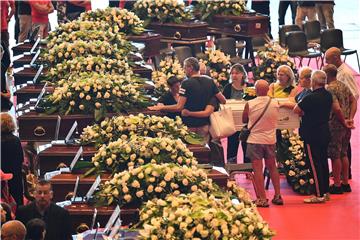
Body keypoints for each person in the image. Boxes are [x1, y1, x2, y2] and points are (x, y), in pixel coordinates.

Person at [148, 57, 226, 143]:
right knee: (203, 150)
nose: (184, 70)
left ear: (191, 68)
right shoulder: (210, 81)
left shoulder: (186, 83)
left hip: (190, 125)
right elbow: (223, 100)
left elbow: (179, 107)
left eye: (185, 67)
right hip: (205, 125)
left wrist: (161, 108)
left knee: (192, 152)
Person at [294, 70, 333, 203]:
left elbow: (296, 110)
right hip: (324, 131)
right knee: (323, 163)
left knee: (314, 165)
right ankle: (326, 191)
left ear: (314, 81)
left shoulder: (310, 97)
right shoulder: (328, 95)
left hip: (311, 134)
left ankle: (318, 193)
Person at [242, 80, 283, 207]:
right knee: (273, 168)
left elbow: (244, 119)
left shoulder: (250, 103)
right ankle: (277, 195)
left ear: (255, 90)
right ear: (268, 90)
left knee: (257, 170)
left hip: (255, 140)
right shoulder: (275, 103)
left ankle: (262, 199)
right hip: (270, 140)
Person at [325, 47, 359, 179]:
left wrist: (349, 119)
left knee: (337, 153)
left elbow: (354, 98)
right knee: (343, 152)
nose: (326, 62)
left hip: (338, 121)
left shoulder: (344, 74)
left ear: (336, 58)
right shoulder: (340, 78)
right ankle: (344, 177)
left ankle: (340, 179)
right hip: (344, 120)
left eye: (327, 59)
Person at [323, 64, 356, 194]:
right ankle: (345, 183)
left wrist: (343, 121)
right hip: (346, 123)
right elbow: (353, 100)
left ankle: (336, 184)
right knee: (343, 152)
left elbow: (336, 108)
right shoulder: (343, 85)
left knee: (334, 154)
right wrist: (350, 118)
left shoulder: (329, 89)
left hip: (335, 125)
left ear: (327, 75)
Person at [223, 64, 252, 164]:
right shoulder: (227, 88)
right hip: (232, 122)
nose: (234, 75)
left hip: (246, 122)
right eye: (232, 73)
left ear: (243, 75)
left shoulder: (249, 87)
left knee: (247, 146)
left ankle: (248, 168)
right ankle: (231, 169)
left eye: (237, 73)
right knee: (232, 146)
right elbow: (223, 104)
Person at [1, 113, 24, 206]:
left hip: (1, 176)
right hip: (14, 176)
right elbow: (20, 159)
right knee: (17, 201)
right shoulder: (15, 140)